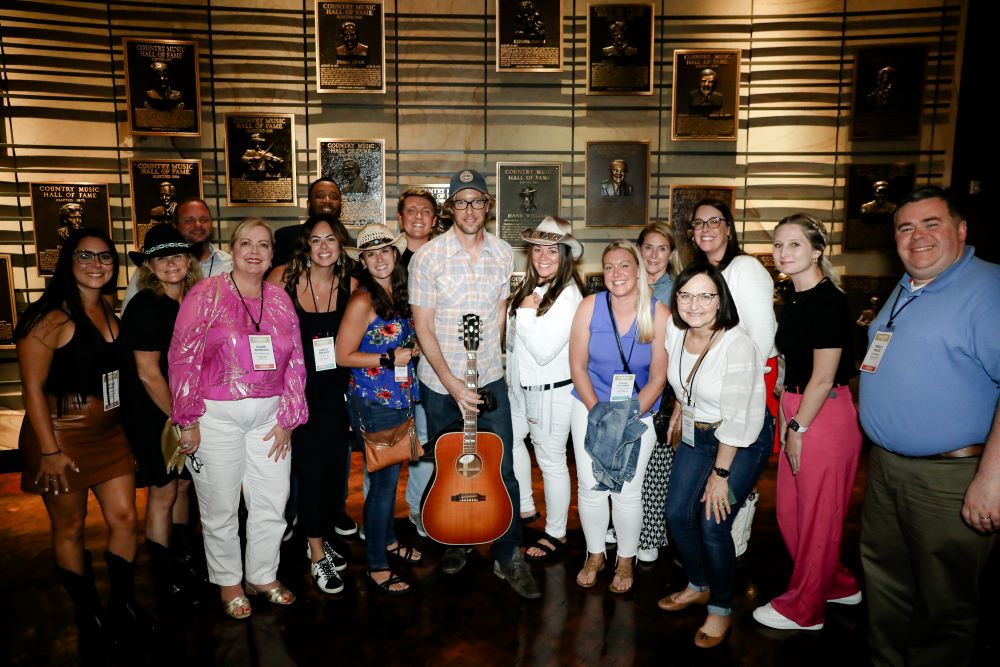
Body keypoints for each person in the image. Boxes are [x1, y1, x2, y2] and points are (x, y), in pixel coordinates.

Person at [858, 186, 999, 667]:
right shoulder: (908, 285)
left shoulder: (988, 289)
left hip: (950, 478)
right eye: (905, 227)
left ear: (961, 230)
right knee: (886, 582)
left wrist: (992, 479)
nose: (917, 237)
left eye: (931, 224)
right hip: (887, 469)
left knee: (945, 603)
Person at [16, 227, 153, 646]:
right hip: (60, 436)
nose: (97, 265)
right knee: (71, 527)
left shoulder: (110, 312)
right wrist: (50, 451)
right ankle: (88, 611)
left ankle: (123, 603)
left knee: (126, 519)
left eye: (105, 257)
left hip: (109, 435)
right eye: (86, 256)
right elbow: (32, 389)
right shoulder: (50, 316)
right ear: (68, 262)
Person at [408, 168, 540, 599]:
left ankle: (509, 553)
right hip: (440, 382)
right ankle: (456, 538)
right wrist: (452, 383)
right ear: (451, 208)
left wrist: (492, 367)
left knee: (502, 466)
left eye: (477, 201)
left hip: (489, 378)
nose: (470, 209)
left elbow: (500, 314)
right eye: (461, 201)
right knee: (450, 465)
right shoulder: (427, 257)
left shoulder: (504, 254)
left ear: (487, 206)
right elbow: (423, 327)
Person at [169, 218, 308, 619]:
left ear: (271, 255)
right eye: (246, 242)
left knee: (272, 501)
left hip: (270, 420)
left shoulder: (279, 298)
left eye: (263, 245)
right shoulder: (205, 293)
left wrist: (289, 416)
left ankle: (262, 575)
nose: (254, 250)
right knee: (220, 506)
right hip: (216, 419)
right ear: (233, 249)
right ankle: (229, 581)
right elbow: (183, 357)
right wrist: (187, 418)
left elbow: (297, 360)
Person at [752, 214, 862, 631]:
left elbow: (822, 375)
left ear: (817, 250)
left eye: (794, 244)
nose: (783, 252)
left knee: (817, 517)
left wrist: (797, 427)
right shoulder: (794, 298)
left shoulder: (829, 300)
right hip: (797, 405)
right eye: (778, 245)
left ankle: (806, 608)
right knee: (792, 515)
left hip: (823, 412)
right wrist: (786, 414)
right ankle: (835, 583)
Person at [659, 263, 771, 649]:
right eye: (686, 294)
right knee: (675, 512)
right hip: (698, 435)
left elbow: (740, 416)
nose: (694, 304)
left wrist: (720, 474)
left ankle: (721, 607)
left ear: (721, 299)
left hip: (740, 441)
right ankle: (699, 584)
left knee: (712, 522)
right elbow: (684, 383)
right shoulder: (676, 331)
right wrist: (678, 411)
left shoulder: (736, 344)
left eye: (705, 295)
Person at [568, 240, 669, 594]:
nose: (616, 274)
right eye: (609, 267)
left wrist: (627, 416)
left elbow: (658, 378)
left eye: (624, 265)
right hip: (589, 407)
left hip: (638, 412)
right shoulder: (589, 307)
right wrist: (598, 412)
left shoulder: (658, 314)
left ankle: (626, 559)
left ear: (639, 269)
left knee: (627, 490)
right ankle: (595, 554)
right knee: (591, 487)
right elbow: (577, 366)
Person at [266, 214, 353, 594]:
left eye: (330, 240)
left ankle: (319, 537)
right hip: (296, 393)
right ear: (306, 245)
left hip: (336, 393)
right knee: (312, 473)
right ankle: (316, 553)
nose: (323, 247)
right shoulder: (283, 280)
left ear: (340, 246)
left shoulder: (350, 283)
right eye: (316, 240)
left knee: (334, 473)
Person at [120, 224, 203, 606]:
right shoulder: (145, 306)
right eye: (161, 257)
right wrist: (181, 417)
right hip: (156, 411)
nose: (171, 262)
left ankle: (184, 559)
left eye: (178, 254)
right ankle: (164, 576)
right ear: (150, 267)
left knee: (184, 485)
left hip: (185, 408)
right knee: (163, 491)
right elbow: (147, 373)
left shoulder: (193, 299)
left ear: (189, 260)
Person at [338, 224, 423, 594]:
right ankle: (376, 564)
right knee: (383, 487)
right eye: (371, 254)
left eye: (385, 251)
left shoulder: (398, 294)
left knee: (390, 479)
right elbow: (343, 355)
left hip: (400, 399)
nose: (379, 259)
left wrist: (412, 348)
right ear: (364, 261)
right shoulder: (362, 300)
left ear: (395, 254)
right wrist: (390, 357)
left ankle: (387, 541)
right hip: (375, 402)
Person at [689, 198, 776, 556]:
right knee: (716, 468)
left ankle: (733, 547)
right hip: (714, 385)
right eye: (698, 223)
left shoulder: (745, 268)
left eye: (714, 221)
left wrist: (741, 386)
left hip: (749, 382)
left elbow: (762, 335)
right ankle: (716, 548)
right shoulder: (704, 273)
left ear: (729, 228)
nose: (706, 229)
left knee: (735, 470)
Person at [508, 216, 584, 561]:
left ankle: (556, 532)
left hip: (550, 390)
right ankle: (525, 505)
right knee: (512, 441)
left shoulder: (568, 295)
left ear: (564, 254)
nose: (543, 256)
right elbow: (516, 344)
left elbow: (542, 352)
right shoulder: (534, 287)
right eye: (537, 249)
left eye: (552, 250)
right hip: (523, 387)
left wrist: (523, 314)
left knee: (551, 462)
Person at [395, 187, 439, 535]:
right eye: (411, 211)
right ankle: (377, 522)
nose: (418, 217)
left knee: (426, 443)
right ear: (400, 218)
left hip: (430, 366)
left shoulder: (443, 258)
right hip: (387, 369)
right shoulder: (386, 257)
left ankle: (419, 511)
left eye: (425, 211)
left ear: (435, 219)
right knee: (385, 443)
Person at [634, 221, 677, 563]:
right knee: (624, 459)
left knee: (654, 464)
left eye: (661, 248)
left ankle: (648, 534)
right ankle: (623, 529)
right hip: (626, 384)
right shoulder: (625, 283)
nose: (653, 254)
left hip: (663, 387)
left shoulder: (675, 292)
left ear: (671, 254)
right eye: (648, 246)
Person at [123, 197, 232, 311]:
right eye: (189, 220)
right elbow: (129, 312)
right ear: (175, 226)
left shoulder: (230, 265)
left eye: (204, 219)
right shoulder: (149, 268)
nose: (198, 224)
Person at [273, 177, 345, 271]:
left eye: (334, 197)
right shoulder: (286, 238)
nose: (327, 200)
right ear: (309, 204)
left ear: (340, 205)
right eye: (320, 196)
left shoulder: (349, 243)